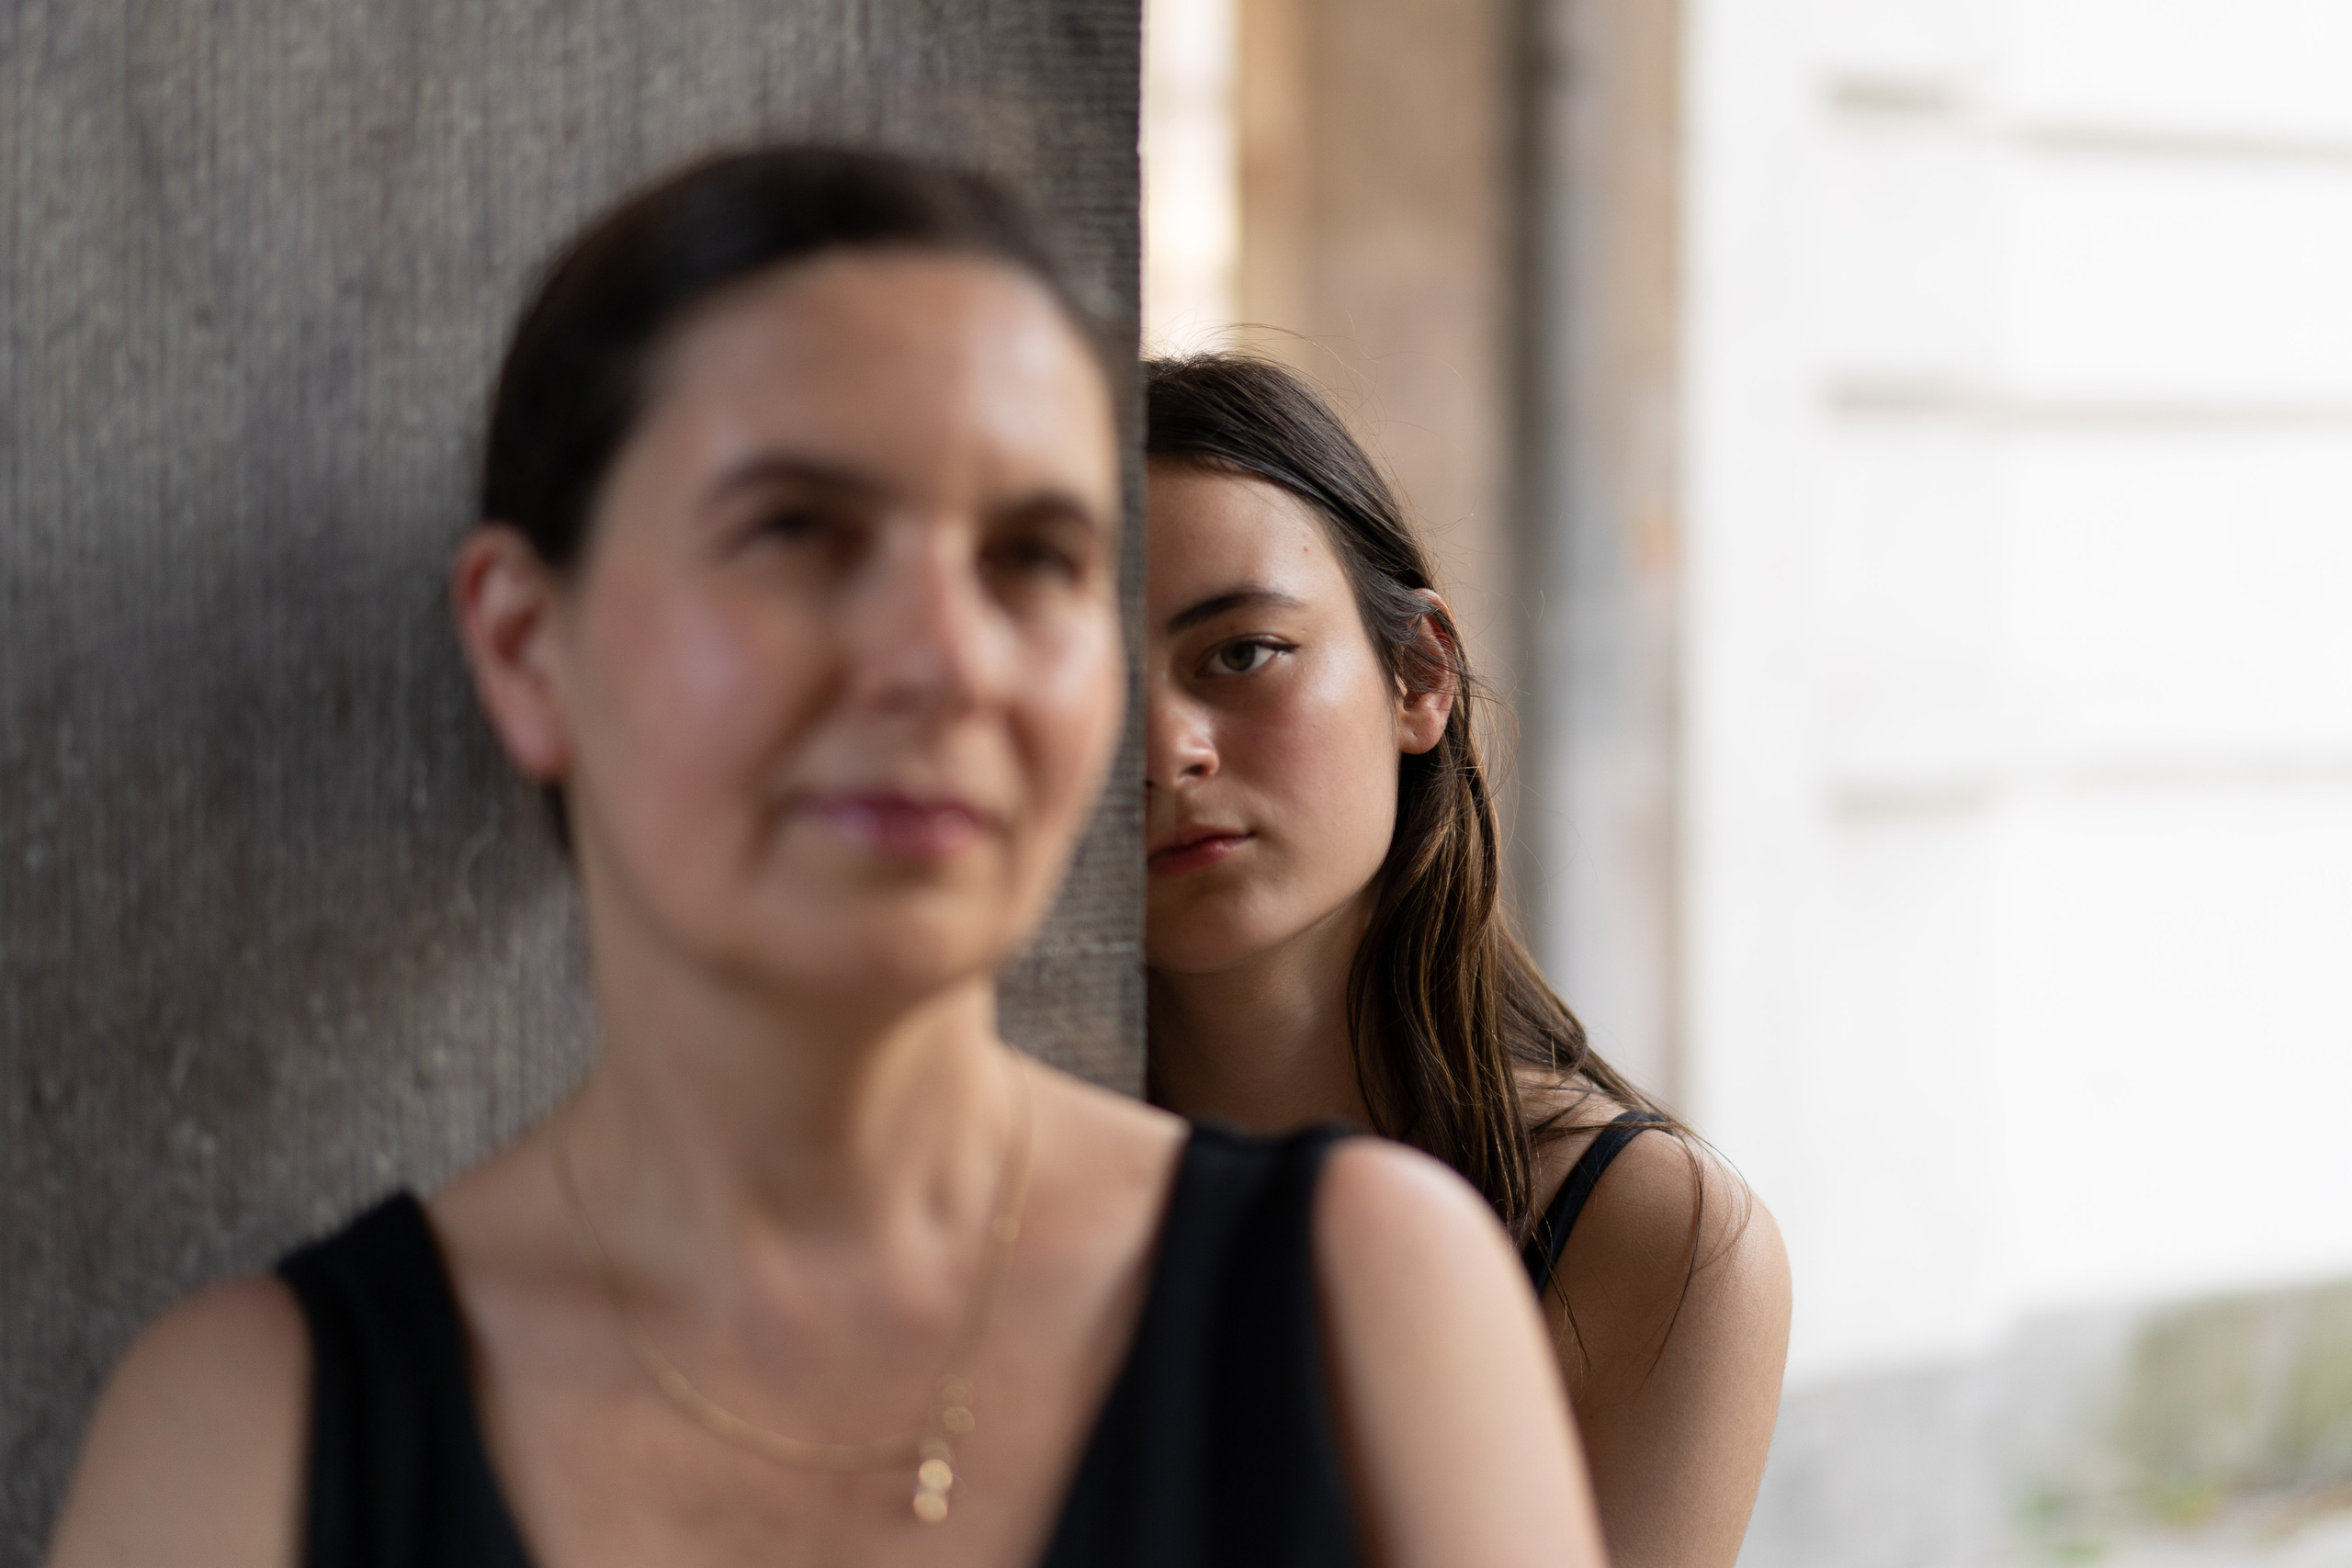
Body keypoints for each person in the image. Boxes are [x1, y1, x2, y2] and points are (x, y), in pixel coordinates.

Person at [46, 152, 1605, 1568]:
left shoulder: (1369, 1302)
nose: (944, 661)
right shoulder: (253, 1426)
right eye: (796, 532)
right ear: (529, 646)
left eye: (1031, 560)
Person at [1141, 350, 1792, 1568]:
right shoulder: (972, 1176)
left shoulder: (1650, 1240)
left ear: (1420, 675)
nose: (1166, 748)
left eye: (1240, 654)